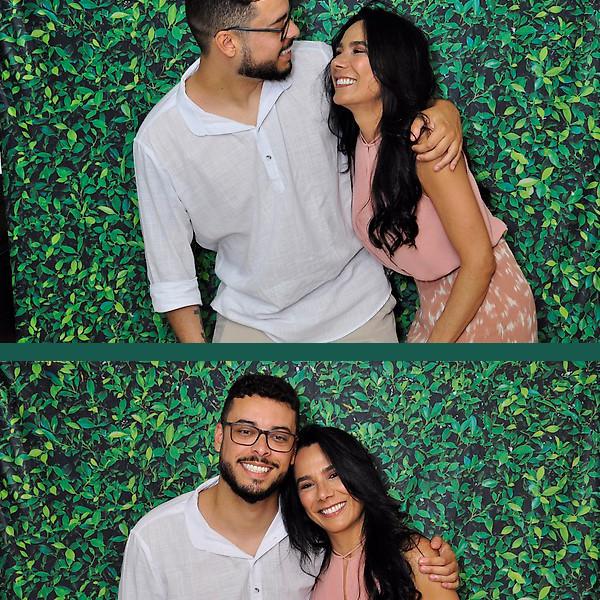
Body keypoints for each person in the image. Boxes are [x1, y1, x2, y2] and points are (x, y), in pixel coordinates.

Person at [133, 0, 463, 342]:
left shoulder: (320, 64)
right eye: (279, 26)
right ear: (228, 42)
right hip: (251, 323)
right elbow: (173, 279)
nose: (294, 30)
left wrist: (441, 110)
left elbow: (390, 96)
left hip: (359, 309)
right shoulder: (158, 141)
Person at [119, 373, 460, 599]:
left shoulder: (312, 536)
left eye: (278, 437)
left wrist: (425, 562)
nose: (261, 449)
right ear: (220, 436)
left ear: (291, 451)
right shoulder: (154, 540)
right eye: (245, 431)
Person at [327, 6, 538, 342]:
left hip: (484, 300)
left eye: (358, 51)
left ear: (392, 63)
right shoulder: (358, 142)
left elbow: (480, 263)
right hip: (435, 302)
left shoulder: (425, 142)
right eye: (339, 51)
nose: (338, 62)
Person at [282, 424, 460, 599]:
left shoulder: (416, 556)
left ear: (359, 474)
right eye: (307, 485)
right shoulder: (307, 571)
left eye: (334, 475)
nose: (323, 494)